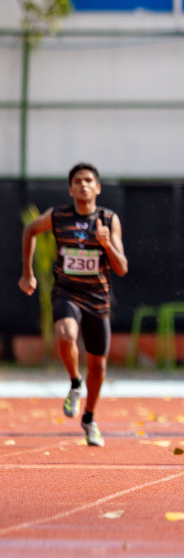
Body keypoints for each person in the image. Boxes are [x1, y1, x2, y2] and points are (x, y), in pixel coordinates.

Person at [18, 163, 128, 447]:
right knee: (66, 334)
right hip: (66, 292)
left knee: (98, 367)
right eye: (78, 181)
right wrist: (27, 273)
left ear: (98, 188)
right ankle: (75, 383)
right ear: (70, 188)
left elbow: (122, 268)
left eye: (89, 180)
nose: (83, 185)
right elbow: (30, 230)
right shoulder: (58, 216)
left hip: (98, 299)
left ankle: (89, 418)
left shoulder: (108, 219)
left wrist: (107, 244)